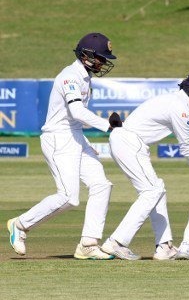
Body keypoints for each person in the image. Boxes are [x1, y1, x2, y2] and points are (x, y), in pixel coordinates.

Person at [6, 33, 120, 260]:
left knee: (101, 184)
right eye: (99, 58)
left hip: (75, 136)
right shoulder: (69, 76)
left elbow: (75, 119)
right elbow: (76, 111)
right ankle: (19, 224)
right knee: (69, 197)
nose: (103, 62)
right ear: (85, 55)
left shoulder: (86, 77)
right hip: (58, 139)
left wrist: (85, 142)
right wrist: (107, 126)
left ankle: (88, 244)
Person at [100, 72, 189, 260]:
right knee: (151, 192)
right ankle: (116, 242)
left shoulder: (174, 103)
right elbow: (186, 148)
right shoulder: (180, 109)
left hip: (127, 142)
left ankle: (164, 247)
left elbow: (188, 140)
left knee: (157, 189)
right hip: (130, 143)